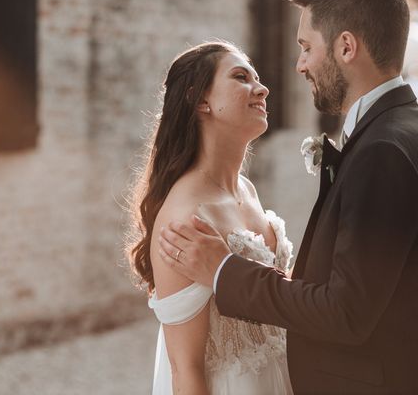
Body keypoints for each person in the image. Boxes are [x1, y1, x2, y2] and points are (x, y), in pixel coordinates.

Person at [159, 0, 418, 394]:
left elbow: (345, 311)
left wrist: (225, 270)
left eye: (307, 47)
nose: (299, 64)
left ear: (346, 47)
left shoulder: (383, 150)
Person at [126, 41, 294, 394]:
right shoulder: (185, 217)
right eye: (240, 77)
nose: (262, 88)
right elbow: (184, 370)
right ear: (201, 100)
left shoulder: (246, 189)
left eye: (258, 79)